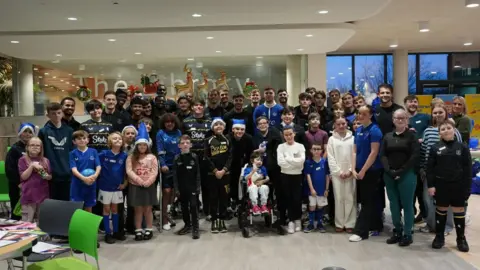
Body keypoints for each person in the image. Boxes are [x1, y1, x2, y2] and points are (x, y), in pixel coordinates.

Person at [427, 121, 471, 252]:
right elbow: (430, 169)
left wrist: (467, 188)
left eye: (448, 128)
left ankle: (461, 238)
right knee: (441, 210)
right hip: (441, 185)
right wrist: (431, 185)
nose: (446, 131)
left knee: (459, 211)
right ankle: (439, 237)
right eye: (443, 129)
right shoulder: (435, 148)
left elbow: (467, 169)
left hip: (458, 185)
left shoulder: (462, 147)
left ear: (454, 130)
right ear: (439, 133)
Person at [419, 105, 462, 234]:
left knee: (446, 200)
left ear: (446, 113)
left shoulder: (454, 131)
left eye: (440, 112)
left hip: (448, 174)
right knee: (428, 199)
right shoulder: (427, 131)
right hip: (429, 172)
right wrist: (422, 168)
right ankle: (431, 224)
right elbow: (423, 151)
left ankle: (447, 226)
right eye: (435, 113)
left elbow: (459, 151)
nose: (438, 115)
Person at [381, 109, 419, 247]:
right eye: (397, 118)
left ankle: (407, 233)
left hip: (407, 174)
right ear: (393, 120)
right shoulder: (387, 136)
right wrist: (389, 171)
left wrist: (401, 171)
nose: (400, 120)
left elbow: (414, 156)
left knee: (407, 204)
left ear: (407, 120)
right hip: (389, 174)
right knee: (394, 204)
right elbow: (383, 155)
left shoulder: (412, 136)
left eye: (403, 118)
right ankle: (397, 230)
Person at [349, 105, 383, 242]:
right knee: (366, 199)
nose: (360, 116)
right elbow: (354, 151)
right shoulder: (359, 130)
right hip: (358, 171)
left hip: (371, 171)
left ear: (370, 115)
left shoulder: (375, 131)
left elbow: (374, 153)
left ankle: (361, 232)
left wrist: (363, 170)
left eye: (364, 114)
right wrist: (353, 168)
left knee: (367, 201)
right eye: (359, 113)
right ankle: (376, 226)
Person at [126, 123, 159, 241]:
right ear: (136, 146)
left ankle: (149, 229)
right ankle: (138, 230)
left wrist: (149, 181)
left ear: (147, 146)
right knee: (138, 209)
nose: (142, 147)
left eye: (144, 145)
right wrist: (139, 180)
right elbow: (129, 171)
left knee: (148, 208)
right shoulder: (131, 157)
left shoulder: (152, 157)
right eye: (140, 145)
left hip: (148, 186)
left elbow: (155, 171)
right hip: (136, 185)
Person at [252, 116, 284, 234]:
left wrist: (266, 150)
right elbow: (253, 153)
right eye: (260, 124)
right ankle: (266, 216)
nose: (262, 125)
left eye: (264, 123)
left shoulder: (275, 134)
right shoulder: (255, 138)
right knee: (265, 191)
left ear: (268, 124)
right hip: (262, 169)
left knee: (277, 192)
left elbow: (279, 149)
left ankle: (280, 217)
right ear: (257, 126)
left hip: (275, 168)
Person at [38, 102, 74, 201]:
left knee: (66, 204)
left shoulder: (69, 131)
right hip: (51, 175)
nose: (56, 116)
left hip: (67, 174)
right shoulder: (43, 132)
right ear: (48, 115)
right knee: (52, 204)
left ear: (62, 113)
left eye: (59, 113)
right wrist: (43, 174)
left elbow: (73, 152)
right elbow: (39, 155)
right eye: (53, 113)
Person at [183, 99, 212, 218]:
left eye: (201, 105)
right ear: (192, 107)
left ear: (204, 107)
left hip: (205, 157)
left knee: (206, 185)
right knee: (191, 184)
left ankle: (207, 210)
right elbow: (183, 139)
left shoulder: (210, 121)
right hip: (191, 157)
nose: (198, 107)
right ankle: (193, 208)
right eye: (196, 105)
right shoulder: (186, 121)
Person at [404, 95, 430, 223]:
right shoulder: (402, 119)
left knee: (420, 190)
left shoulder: (425, 117)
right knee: (409, 190)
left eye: (415, 102)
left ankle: (424, 214)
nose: (413, 104)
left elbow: (432, 131)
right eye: (410, 102)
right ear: (405, 104)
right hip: (405, 159)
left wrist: (422, 140)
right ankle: (411, 213)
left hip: (421, 158)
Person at [98, 132, 128, 244]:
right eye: (114, 139)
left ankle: (116, 232)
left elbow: (127, 172)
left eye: (120, 139)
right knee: (106, 210)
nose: (117, 140)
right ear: (110, 141)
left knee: (115, 210)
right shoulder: (103, 154)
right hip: (105, 187)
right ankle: (107, 233)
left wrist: (125, 184)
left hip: (117, 188)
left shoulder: (124, 156)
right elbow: (96, 167)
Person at [327, 116, 356, 233]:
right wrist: (338, 171)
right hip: (337, 173)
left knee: (350, 197)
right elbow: (330, 157)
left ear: (347, 124)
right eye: (338, 124)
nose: (341, 126)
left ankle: (350, 223)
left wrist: (350, 170)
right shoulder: (331, 139)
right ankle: (339, 223)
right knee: (339, 198)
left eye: (343, 123)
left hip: (350, 172)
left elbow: (355, 154)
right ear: (335, 125)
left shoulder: (353, 138)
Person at [204, 118, 232, 233]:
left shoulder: (228, 139)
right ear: (212, 128)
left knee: (224, 197)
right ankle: (215, 219)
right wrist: (215, 171)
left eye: (221, 124)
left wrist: (224, 170)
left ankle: (222, 219)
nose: (219, 126)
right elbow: (206, 157)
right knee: (213, 197)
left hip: (225, 174)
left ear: (224, 127)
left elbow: (231, 157)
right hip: (212, 175)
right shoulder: (208, 140)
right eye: (216, 125)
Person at [277, 126, 306, 234]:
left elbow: (301, 161)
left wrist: (288, 159)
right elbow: (280, 162)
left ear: (294, 134)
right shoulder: (281, 147)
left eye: (290, 134)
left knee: (297, 198)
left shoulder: (300, 146)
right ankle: (291, 221)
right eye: (286, 135)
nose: (288, 136)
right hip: (285, 175)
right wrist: (294, 163)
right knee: (288, 198)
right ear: (283, 136)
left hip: (297, 175)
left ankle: (298, 219)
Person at [156, 113, 182, 231]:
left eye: (171, 121)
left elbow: (181, 148)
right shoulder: (160, 133)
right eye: (167, 122)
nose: (169, 124)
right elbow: (160, 150)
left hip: (177, 166)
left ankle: (169, 213)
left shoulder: (178, 133)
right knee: (166, 191)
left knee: (174, 192)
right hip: (166, 166)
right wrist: (163, 164)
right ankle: (164, 218)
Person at [5, 123, 36, 220]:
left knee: (29, 213)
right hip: (17, 187)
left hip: (31, 186)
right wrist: (20, 184)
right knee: (17, 212)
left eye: (30, 132)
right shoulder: (14, 149)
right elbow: (10, 170)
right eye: (25, 132)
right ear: (20, 133)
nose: (27, 134)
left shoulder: (34, 148)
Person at [173, 135, 201, 240]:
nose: (185, 145)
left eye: (187, 143)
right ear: (179, 145)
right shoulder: (176, 158)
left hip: (193, 187)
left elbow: (197, 173)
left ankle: (195, 228)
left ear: (191, 145)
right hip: (181, 188)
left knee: (194, 206)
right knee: (184, 207)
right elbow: (175, 175)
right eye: (183, 143)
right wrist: (176, 189)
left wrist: (198, 187)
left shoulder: (194, 157)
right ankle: (187, 225)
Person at [18, 137, 51, 222]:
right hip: (28, 196)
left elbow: (49, 176)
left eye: (37, 145)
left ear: (41, 148)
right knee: (27, 221)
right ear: (27, 147)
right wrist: (32, 166)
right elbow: (23, 177)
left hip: (43, 196)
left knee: (42, 221)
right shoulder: (22, 160)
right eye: (32, 145)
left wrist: (45, 175)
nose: (35, 147)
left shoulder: (46, 161)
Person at [69, 130, 101, 213]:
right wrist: (83, 178)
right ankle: (77, 225)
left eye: (84, 138)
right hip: (77, 184)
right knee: (77, 208)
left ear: (88, 140)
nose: (82, 140)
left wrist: (95, 176)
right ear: (74, 141)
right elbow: (73, 169)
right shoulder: (72, 153)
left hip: (91, 182)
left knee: (89, 207)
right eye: (79, 139)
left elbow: (98, 166)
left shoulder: (93, 151)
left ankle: (88, 226)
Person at [226, 119, 254, 207]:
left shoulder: (249, 138)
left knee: (242, 183)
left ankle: (241, 201)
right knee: (230, 184)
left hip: (243, 164)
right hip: (229, 165)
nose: (239, 131)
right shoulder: (227, 138)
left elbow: (251, 154)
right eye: (237, 129)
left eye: (242, 129)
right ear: (233, 129)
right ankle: (231, 202)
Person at [304, 142, 330, 233]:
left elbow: (327, 176)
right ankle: (311, 224)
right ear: (311, 150)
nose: (316, 151)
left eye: (318, 149)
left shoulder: (325, 162)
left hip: (322, 189)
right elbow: (308, 176)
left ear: (322, 151)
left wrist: (327, 189)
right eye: (314, 149)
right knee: (312, 206)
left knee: (320, 206)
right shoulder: (308, 162)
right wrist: (311, 189)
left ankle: (320, 224)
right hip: (312, 190)